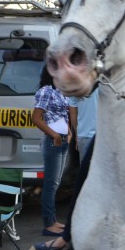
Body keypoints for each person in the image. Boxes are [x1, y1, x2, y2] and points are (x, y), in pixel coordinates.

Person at [32, 66, 71, 238]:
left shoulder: (60, 90)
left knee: (56, 182)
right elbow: (36, 118)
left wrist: (69, 132)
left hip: (63, 139)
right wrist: (54, 135)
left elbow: (65, 114)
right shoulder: (46, 90)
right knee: (50, 183)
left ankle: (53, 221)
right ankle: (48, 224)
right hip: (53, 140)